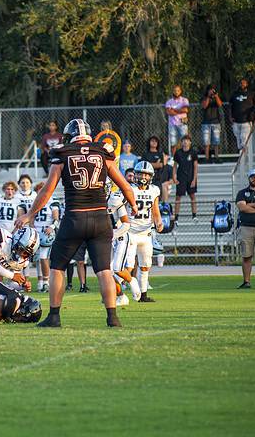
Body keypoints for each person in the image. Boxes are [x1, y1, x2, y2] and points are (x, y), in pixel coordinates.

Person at [14, 118, 138, 328]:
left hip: (75, 218)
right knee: (104, 270)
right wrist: (134, 205)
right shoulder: (103, 152)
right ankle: (112, 317)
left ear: (69, 136)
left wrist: (30, 214)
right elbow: (124, 184)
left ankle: (54, 316)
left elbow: (48, 189)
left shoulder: (62, 153)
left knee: (57, 267)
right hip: (100, 218)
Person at [119, 162, 163, 302]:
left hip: (146, 233)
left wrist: (159, 222)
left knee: (145, 266)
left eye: (146, 174)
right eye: (140, 173)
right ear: (135, 174)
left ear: (150, 176)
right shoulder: (128, 189)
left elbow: (155, 210)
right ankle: (117, 291)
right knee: (128, 266)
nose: (143, 176)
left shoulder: (154, 190)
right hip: (130, 232)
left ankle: (143, 295)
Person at [228, 78, 255, 152]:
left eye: (244, 83)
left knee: (244, 138)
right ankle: (241, 157)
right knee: (239, 141)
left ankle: (245, 157)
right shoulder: (234, 94)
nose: (242, 84)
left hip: (247, 120)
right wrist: (230, 117)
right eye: (241, 83)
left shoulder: (252, 94)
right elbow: (230, 106)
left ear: (247, 84)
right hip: (236, 121)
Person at [172, 135, 199, 223]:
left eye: (187, 140)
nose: (185, 142)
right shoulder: (178, 153)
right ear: (181, 142)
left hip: (190, 177)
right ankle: (176, 217)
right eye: (183, 140)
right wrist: (174, 176)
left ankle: (194, 215)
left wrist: (194, 179)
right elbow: (175, 166)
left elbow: (195, 167)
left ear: (190, 142)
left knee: (192, 196)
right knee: (178, 197)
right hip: (181, 177)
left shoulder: (193, 152)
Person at [141, 136, 169, 201]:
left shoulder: (160, 154)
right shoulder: (145, 154)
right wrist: (156, 164)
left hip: (158, 178)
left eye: (156, 141)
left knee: (158, 197)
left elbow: (162, 165)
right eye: (152, 141)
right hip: (147, 178)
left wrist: (152, 164)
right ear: (149, 142)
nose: (154, 142)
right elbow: (144, 165)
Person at [200, 84, 223, 163]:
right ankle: (207, 158)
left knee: (216, 141)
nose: (211, 91)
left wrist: (216, 96)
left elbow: (220, 104)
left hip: (216, 122)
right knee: (206, 141)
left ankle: (216, 157)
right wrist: (208, 97)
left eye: (212, 90)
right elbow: (204, 106)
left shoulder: (216, 97)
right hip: (206, 123)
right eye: (210, 90)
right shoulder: (204, 98)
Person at [165, 85, 190, 155]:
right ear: (173, 91)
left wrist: (174, 109)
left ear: (180, 91)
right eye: (175, 90)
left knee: (185, 141)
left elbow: (186, 110)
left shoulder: (184, 100)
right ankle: (173, 158)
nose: (176, 92)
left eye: (178, 90)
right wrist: (180, 110)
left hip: (183, 124)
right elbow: (169, 112)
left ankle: (185, 156)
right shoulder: (169, 101)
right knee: (173, 142)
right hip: (172, 124)